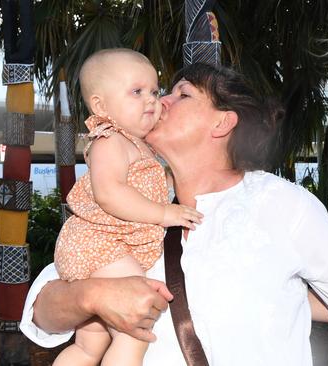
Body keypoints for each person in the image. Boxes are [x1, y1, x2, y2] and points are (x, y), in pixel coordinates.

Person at [21, 61, 328, 365]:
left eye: (181, 95)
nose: (159, 102)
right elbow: (42, 313)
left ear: (223, 122)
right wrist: (94, 295)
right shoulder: (129, 195)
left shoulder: (283, 205)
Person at [51, 48, 204, 366]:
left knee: (88, 347)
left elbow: (154, 187)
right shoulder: (109, 139)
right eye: (137, 92)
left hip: (109, 250)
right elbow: (108, 193)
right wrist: (165, 214)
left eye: (153, 91)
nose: (151, 100)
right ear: (101, 106)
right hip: (100, 246)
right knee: (136, 327)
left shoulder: (140, 146)